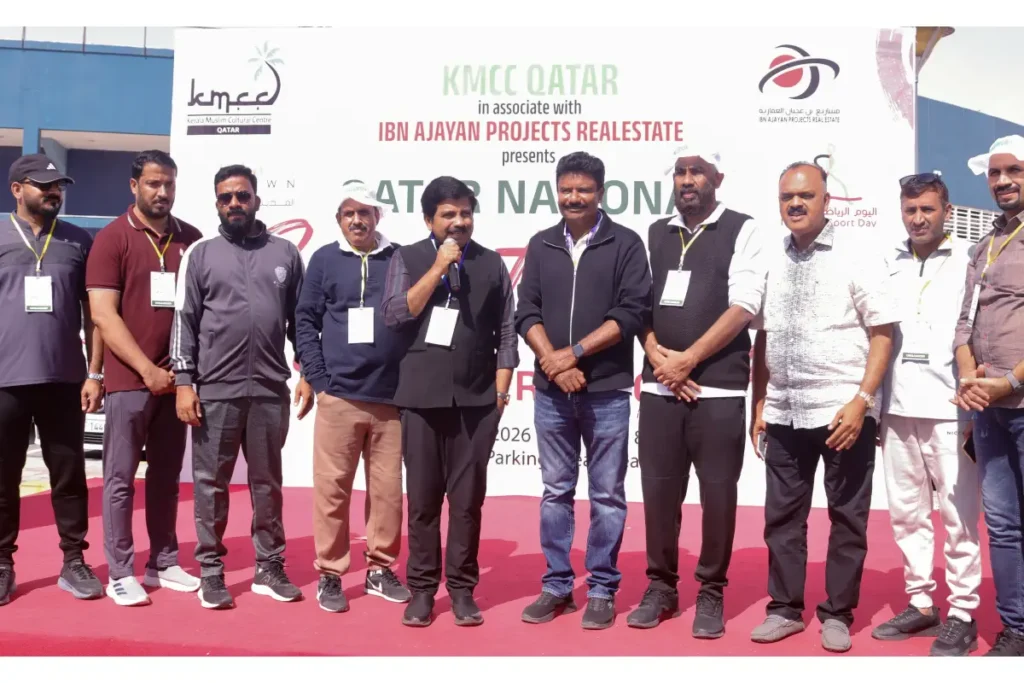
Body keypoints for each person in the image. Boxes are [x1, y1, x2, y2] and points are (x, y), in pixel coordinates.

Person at [749, 162, 898, 653]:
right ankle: (784, 609)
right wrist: (759, 402)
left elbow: (883, 331)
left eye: (806, 196)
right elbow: (763, 337)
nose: (796, 204)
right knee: (781, 519)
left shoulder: (858, 253)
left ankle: (838, 613)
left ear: (826, 200)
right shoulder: (771, 258)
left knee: (847, 518)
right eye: (787, 197)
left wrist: (863, 401)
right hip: (785, 411)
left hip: (843, 414)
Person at [630, 144, 765, 638]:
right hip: (660, 389)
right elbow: (637, 305)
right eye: (681, 172)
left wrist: (688, 360)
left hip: (719, 392)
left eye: (698, 172)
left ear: (717, 179)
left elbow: (745, 305)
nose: (688, 180)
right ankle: (661, 587)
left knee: (718, 497)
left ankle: (711, 591)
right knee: (658, 495)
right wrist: (658, 357)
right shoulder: (656, 232)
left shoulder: (743, 229)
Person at [513, 152, 650, 630]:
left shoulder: (625, 243)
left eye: (584, 190)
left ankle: (602, 588)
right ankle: (556, 585)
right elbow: (525, 311)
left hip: (607, 391)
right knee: (555, 492)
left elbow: (631, 312)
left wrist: (572, 354)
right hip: (552, 393)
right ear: (556, 191)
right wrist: (553, 362)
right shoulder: (542, 243)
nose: (574, 197)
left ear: (601, 193)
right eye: (566, 189)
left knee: (607, 495)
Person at [381, 176, 518, 628]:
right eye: (448, 214)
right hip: (420, 400)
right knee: (422, 502)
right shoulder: (407, 257)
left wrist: (500, 393)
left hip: (477, 403)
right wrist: (439, 266)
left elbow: (506, 330)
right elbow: (395, 314)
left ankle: (461, 589)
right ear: (429, 220)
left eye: (465, 213)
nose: (459, 221)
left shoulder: (491, 263)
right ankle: (422, 590)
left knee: (467, 503)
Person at [171, 164, 309, 610]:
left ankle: (270, 567)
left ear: (256, 200)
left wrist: (308, 370)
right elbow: (184, 320)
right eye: (226, 197)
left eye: (242, 196)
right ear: (217, 203)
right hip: (215, 390)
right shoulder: (201, 253)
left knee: (267, 483)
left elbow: (301, 323)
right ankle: (211, 571)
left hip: (269, 389)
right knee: (211, 484)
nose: (234, 203)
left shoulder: (285, 253)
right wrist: (184, 381)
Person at [86, 150, 204, 606]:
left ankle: (163, 561)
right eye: (154, 183)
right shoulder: (112, 238)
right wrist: (144, 370)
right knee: (119, 480)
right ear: (134, 185)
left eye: (169, 183)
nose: (162, 192)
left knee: (167, 477)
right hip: (130, 382)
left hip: (176, 383)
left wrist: (182, 373)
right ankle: (120, 571)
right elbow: (103, 315)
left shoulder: (190, 239)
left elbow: (201, 313)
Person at [871, 172, 981, 655]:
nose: (918, 219)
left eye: (927, 209)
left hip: (952, 408)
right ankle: (920, 603)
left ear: (947, 212)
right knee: (907, 515)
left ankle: (963, 613)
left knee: (959, 517)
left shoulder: (970, 258)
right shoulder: (888, 260)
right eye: (910, 210)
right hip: (896, 408)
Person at [294, 182, 412, 613]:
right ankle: (330, 573)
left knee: (387, 493)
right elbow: (304, 320)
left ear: (378, 216)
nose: (357, 220)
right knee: (332, 491)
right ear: (338, 219)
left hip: (391, 399)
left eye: (365, 212)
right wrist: (318, 379)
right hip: (339, 396)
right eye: (349, 213)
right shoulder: (324, 259)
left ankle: (380, 569)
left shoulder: (400, 258)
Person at [0, 153, 104, 606]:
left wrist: (95, 373)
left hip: (64, 379)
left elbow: (95, 314)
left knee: (69, 476)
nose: (54, 192)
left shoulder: (78, 241)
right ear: (17, 189)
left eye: (58, 185)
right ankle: (2, 564)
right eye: (44, 185)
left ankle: (74, 561)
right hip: (5, 380)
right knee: (3, 478)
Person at [952, 134, 1024, 656]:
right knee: (1001, 524)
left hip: (1018, 399)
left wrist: (1011, 382)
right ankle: (1016, 627)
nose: (1002, 181)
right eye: (995, 173)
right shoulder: (985, 243)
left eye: (1014, 170)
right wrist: (968, 376)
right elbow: (964, 323)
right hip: (988, 409)